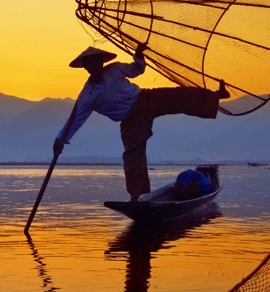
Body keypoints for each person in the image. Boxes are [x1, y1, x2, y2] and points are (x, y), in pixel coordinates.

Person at [53, 44, 230, 201]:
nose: (94, 65)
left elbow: (137, 70)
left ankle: (215, 97)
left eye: (97, 61)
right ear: (86, 67)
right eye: (90, 63)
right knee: (133, 156)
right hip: (131, 119)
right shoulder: (87, 95)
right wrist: (61, 139)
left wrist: (138, 55)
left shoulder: (114, 70)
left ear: (101, 61)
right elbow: (75, 119)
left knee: (179, 95)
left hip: (145, 98)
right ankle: (138, 196)